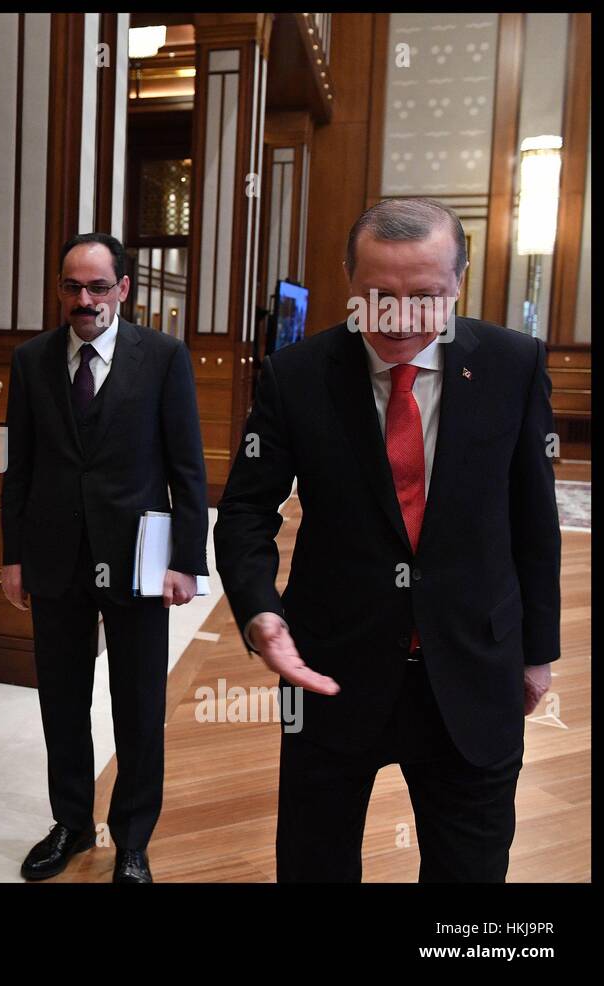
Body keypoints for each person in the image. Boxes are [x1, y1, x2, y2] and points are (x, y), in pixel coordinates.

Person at [213, 197, 560, 882]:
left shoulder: (513, 365)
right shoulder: (297, 375)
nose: (399, 318)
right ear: (348, 277)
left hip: (473, 665)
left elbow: (533, 517)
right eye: (376, 296)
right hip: (331, 669)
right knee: (316, 864)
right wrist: (261, 611)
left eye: (426, 297)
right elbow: (246, 512)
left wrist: (538, 651)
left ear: (460, 282)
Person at [0, 232, 209, 883]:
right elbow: (21, 468)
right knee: (61, 698)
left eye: (96, 286)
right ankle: (71, 823)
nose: (83, 299)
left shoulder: (164, 358)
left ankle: (133, 839)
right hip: (56, 554)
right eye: (72, 286)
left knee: (139, 702)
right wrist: (13, 556)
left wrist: (186, 560)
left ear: (123, 289)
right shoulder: (32, 359)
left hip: (140, 556)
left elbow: (187, 468)